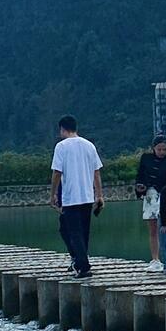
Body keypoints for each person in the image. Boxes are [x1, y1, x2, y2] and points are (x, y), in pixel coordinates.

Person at [50, 115, 103, 278]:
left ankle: (82, 265)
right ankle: (80, 261)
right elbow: (96, 172)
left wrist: (53, 193)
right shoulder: (89, 146)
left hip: (71, 197)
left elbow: (57, 172)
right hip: (87, 195)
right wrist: (99, 194)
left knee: (74, 232)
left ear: (62, 129)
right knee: (83, 231)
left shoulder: (61, 147)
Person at [135, 133, 166, 266]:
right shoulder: (145, 158)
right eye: (159, 149)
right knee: (153, 229)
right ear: (154, 148)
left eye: (164, 149)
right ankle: (155, 259)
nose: (162, 152)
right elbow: (140, 176)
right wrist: (140, 188)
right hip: (150, 195)